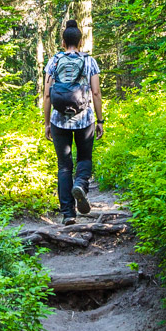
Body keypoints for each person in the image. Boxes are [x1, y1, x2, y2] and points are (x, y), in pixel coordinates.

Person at [40, 19, 103, 223]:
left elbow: (47, 95)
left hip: (59, 120)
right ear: (80, 40)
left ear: (63, 41)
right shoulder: (89, 61)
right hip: (84, 119)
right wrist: (100, 120)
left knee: (64, 166)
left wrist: (47, 123)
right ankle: (81, 184)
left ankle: (68, 214)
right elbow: (96, 92)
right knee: (84, 158)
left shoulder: (54, 61)